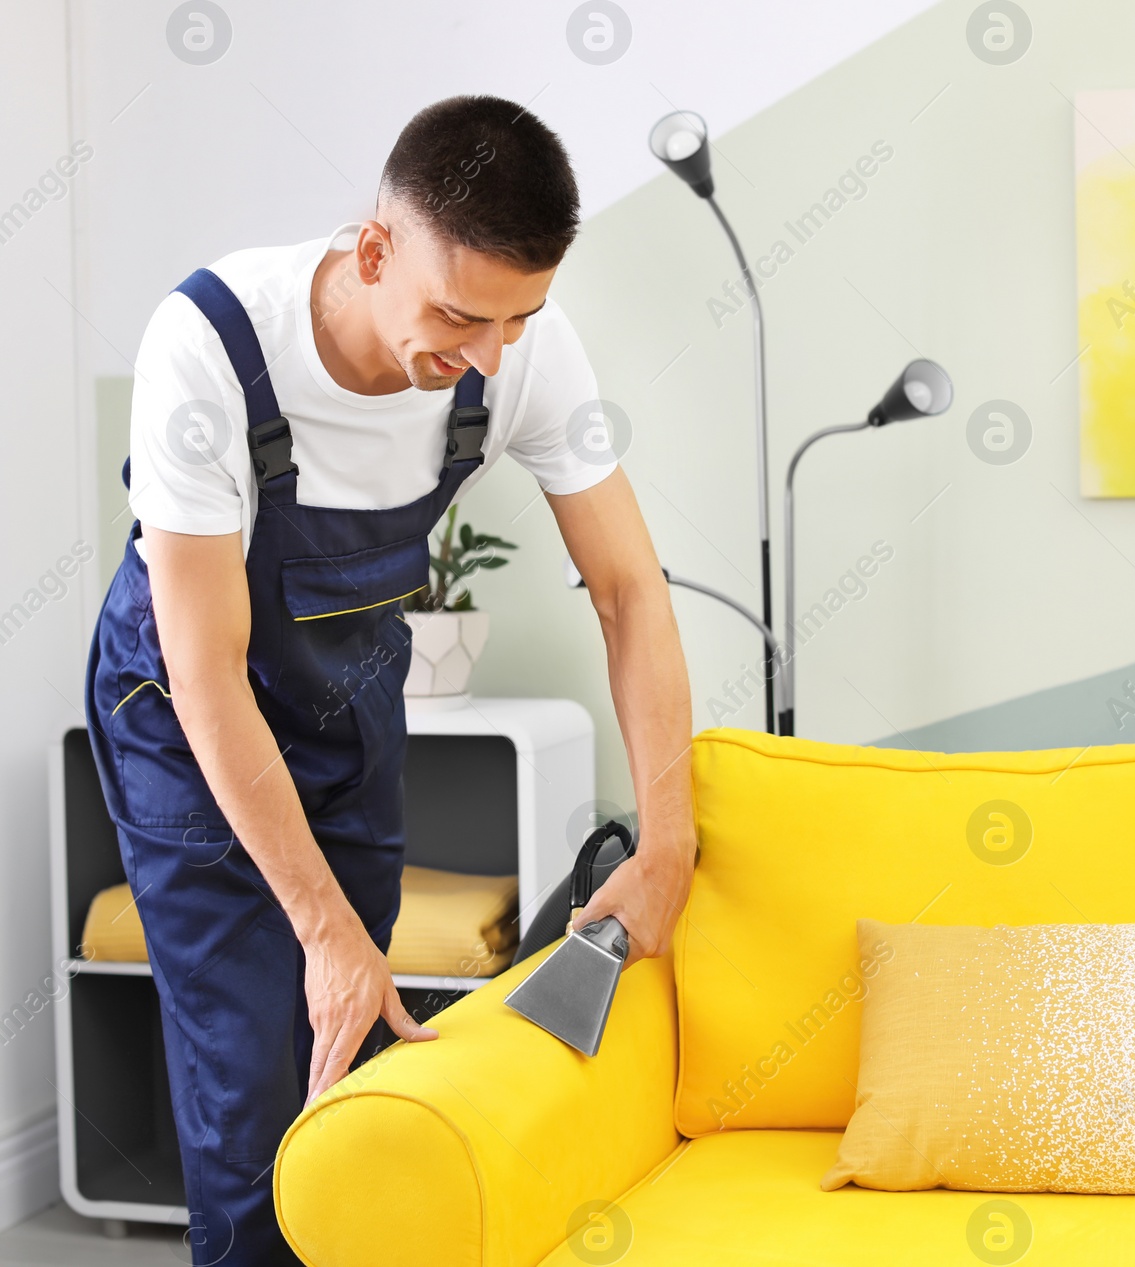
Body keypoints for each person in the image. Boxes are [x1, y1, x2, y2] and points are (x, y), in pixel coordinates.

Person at [83, 96, 695, 1265]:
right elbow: (206, 671)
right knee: (253, 1092)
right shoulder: (212, 345)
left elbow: (630, 593)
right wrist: (322, 929)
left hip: (347, 697)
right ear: (373, 252)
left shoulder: (517, 344)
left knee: (358, 1062)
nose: (488, 355)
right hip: (181, 720)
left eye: (518, 319)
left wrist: (666, 841)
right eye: (460, 315)